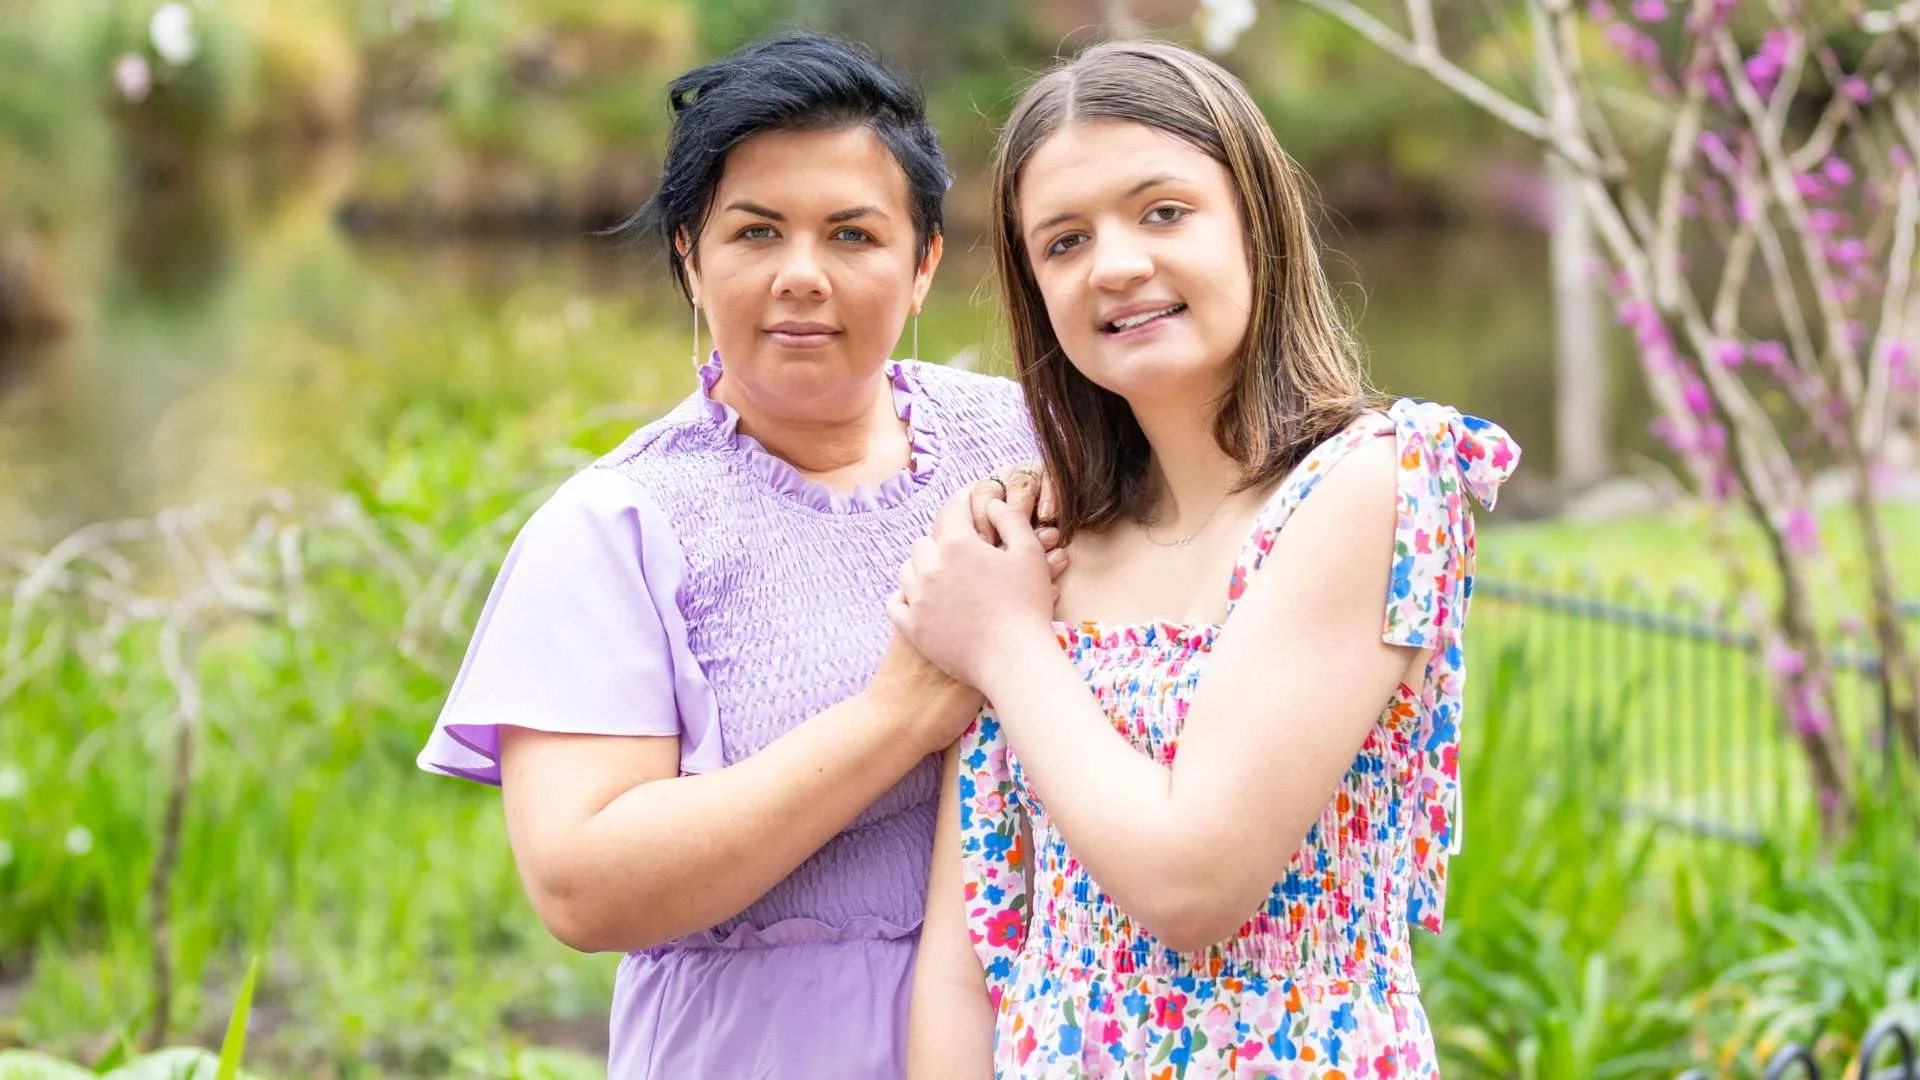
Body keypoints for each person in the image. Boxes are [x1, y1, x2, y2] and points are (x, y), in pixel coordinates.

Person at [417, 32, 1059, 1079]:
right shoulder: (620, 526)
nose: (802, 277)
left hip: (1043, 1034)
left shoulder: (1034, 446)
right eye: (756, 233)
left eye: (853, 235)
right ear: (690, 255)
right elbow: (584, 886)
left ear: (926, 262)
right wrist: (898, 714)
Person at [894, 39, 1520, 1078]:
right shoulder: (1047, 540)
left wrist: (1002, 644)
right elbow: (966, 959)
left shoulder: (1368, 485)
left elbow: (1192, 884)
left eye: (1163, 211)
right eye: (1063, 241)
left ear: (1256, 224)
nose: (1117, 264)